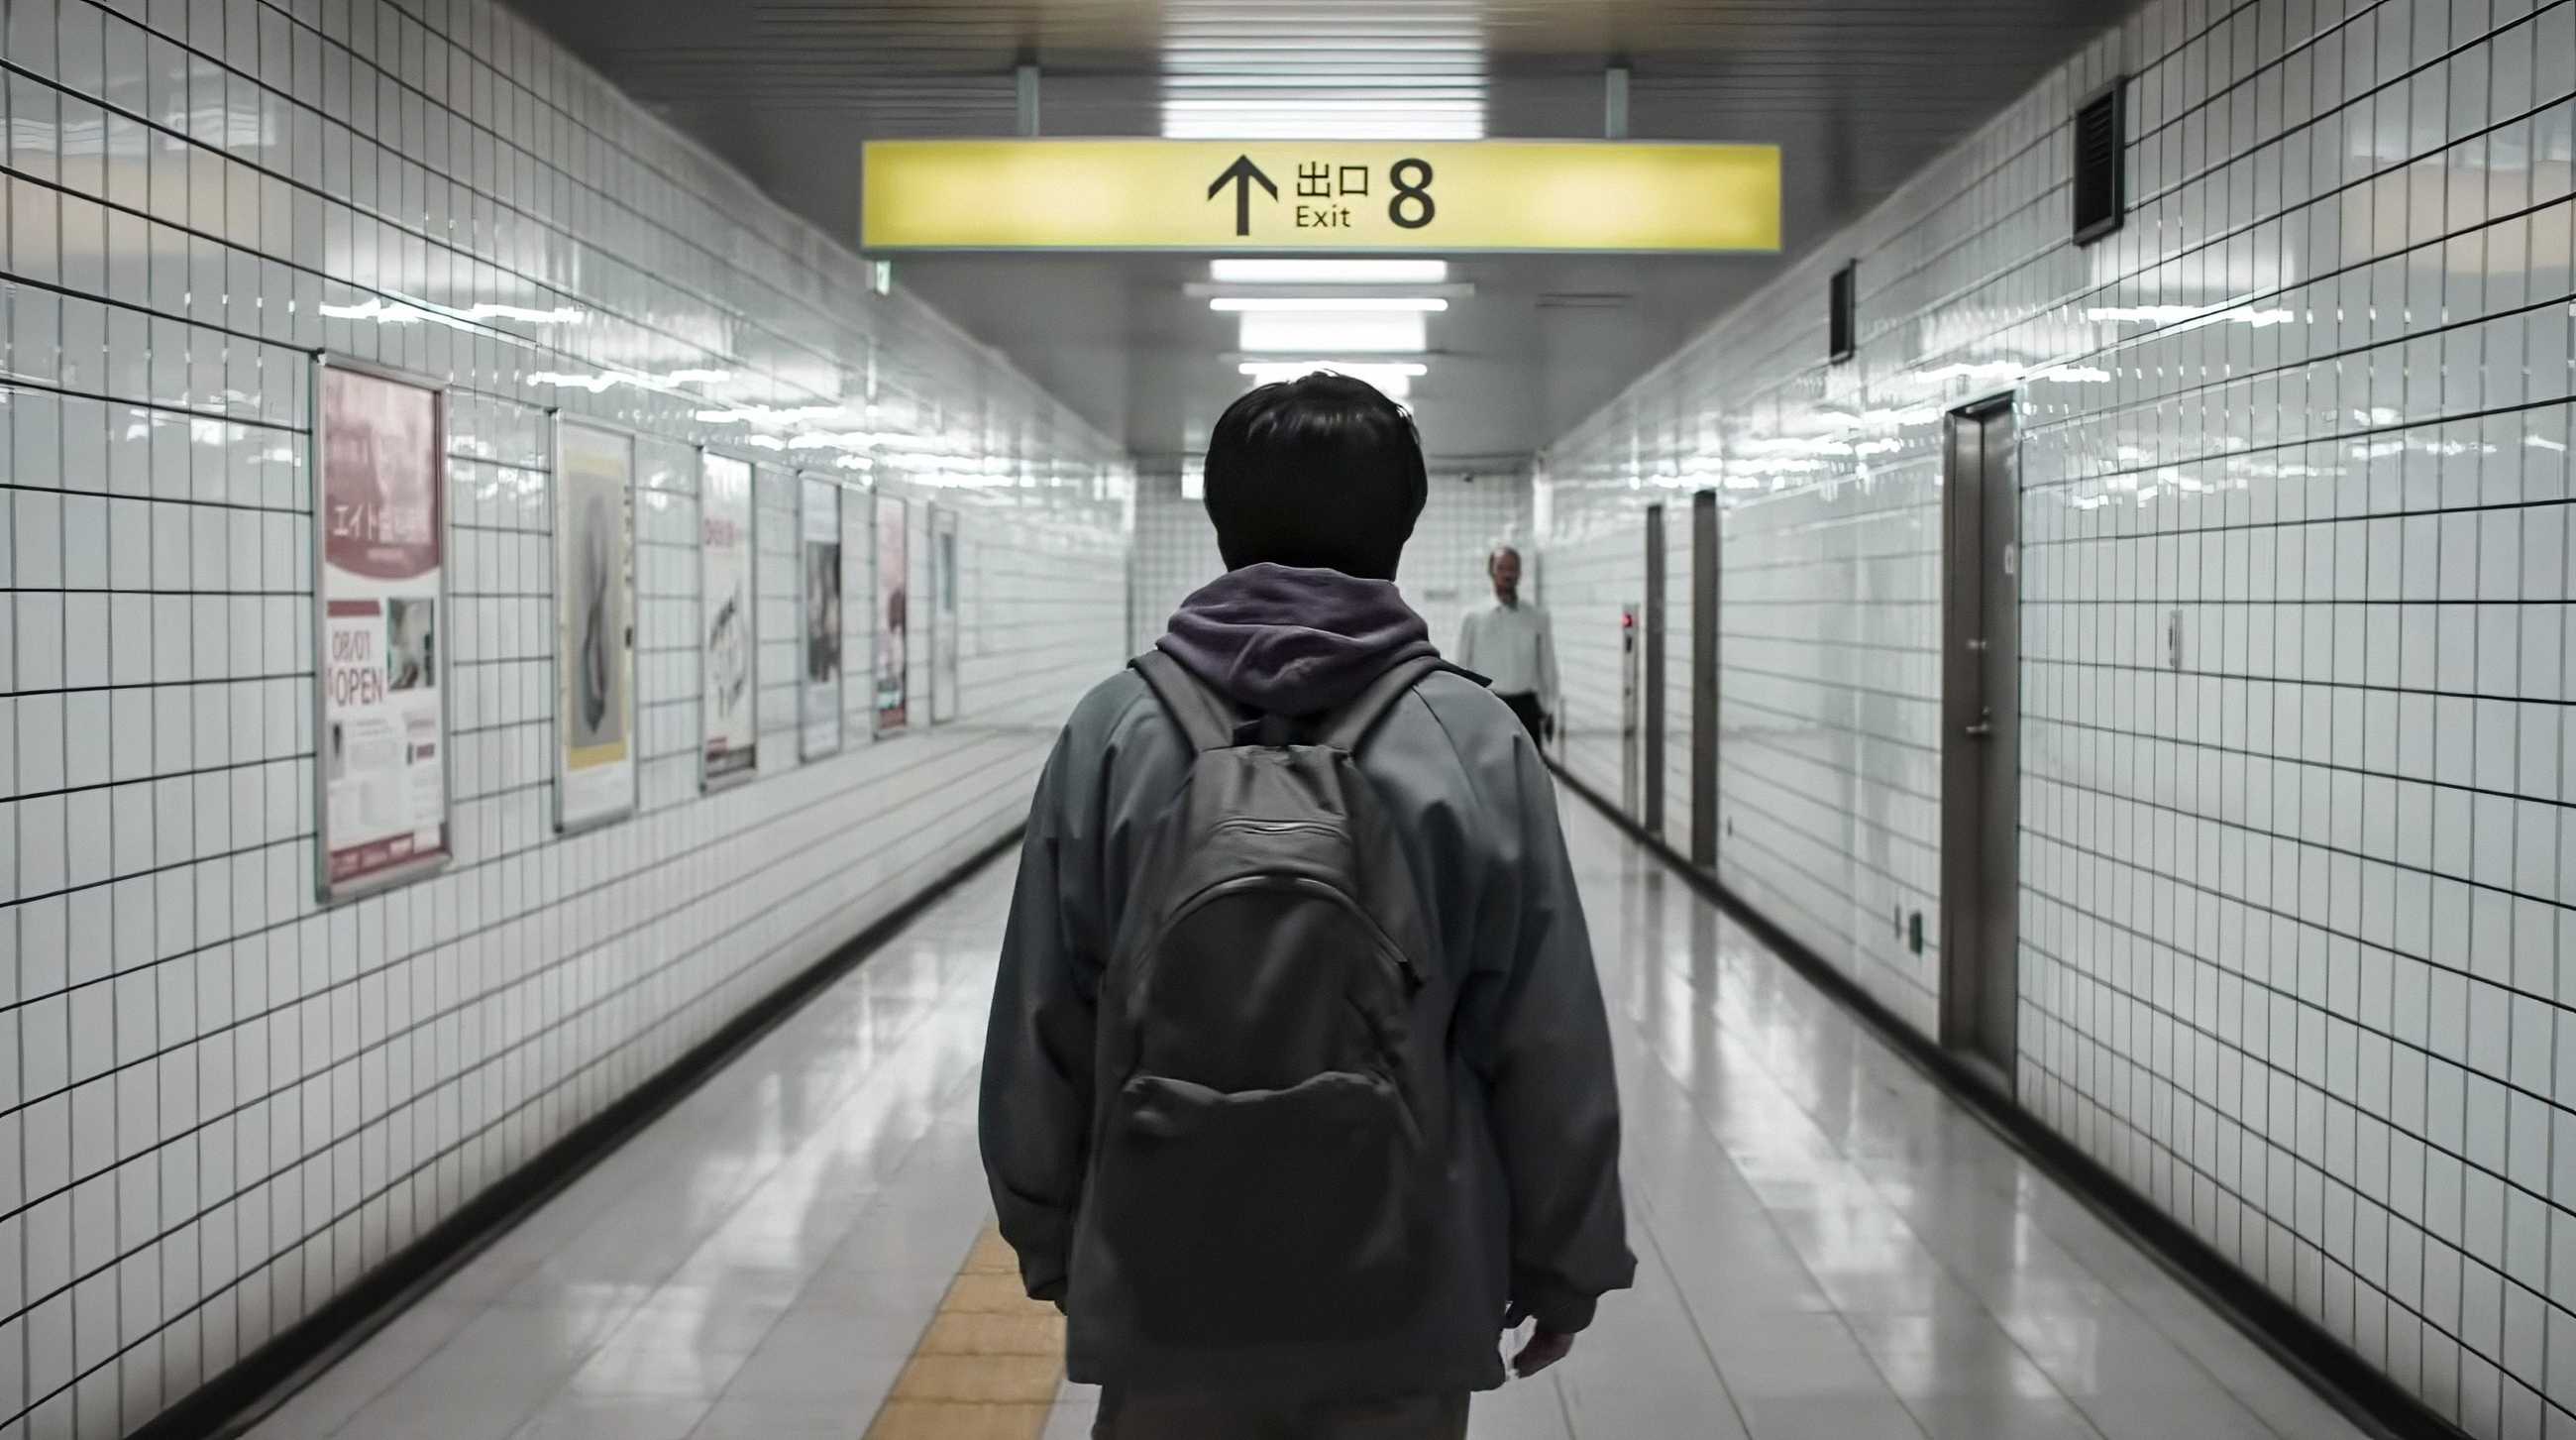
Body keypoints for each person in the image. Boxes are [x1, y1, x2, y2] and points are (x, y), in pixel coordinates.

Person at [981, 373, 1632, 1440]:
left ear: (1223, 522)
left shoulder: (1111, 730)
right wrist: (1565, 1262)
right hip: (1404, 1289)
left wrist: (1055, 1240)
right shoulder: (1471, 739)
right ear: (1401, 526)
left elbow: (1042, 1014)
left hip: (1162, 1279)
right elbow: (1542, 1032)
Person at [1454, 546, 1557, 746]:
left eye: (1513, 568)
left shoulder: (1537, 617)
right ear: (1491, 572)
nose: (1508, 574)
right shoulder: (1473, 617)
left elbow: (1547, 665)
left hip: (1527, 706)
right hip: (1488, 706)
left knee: (1528, 772)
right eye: (1502, 568)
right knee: (1491, 772)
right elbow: (1461, 667)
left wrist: (1549, 708)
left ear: (1520, 573)